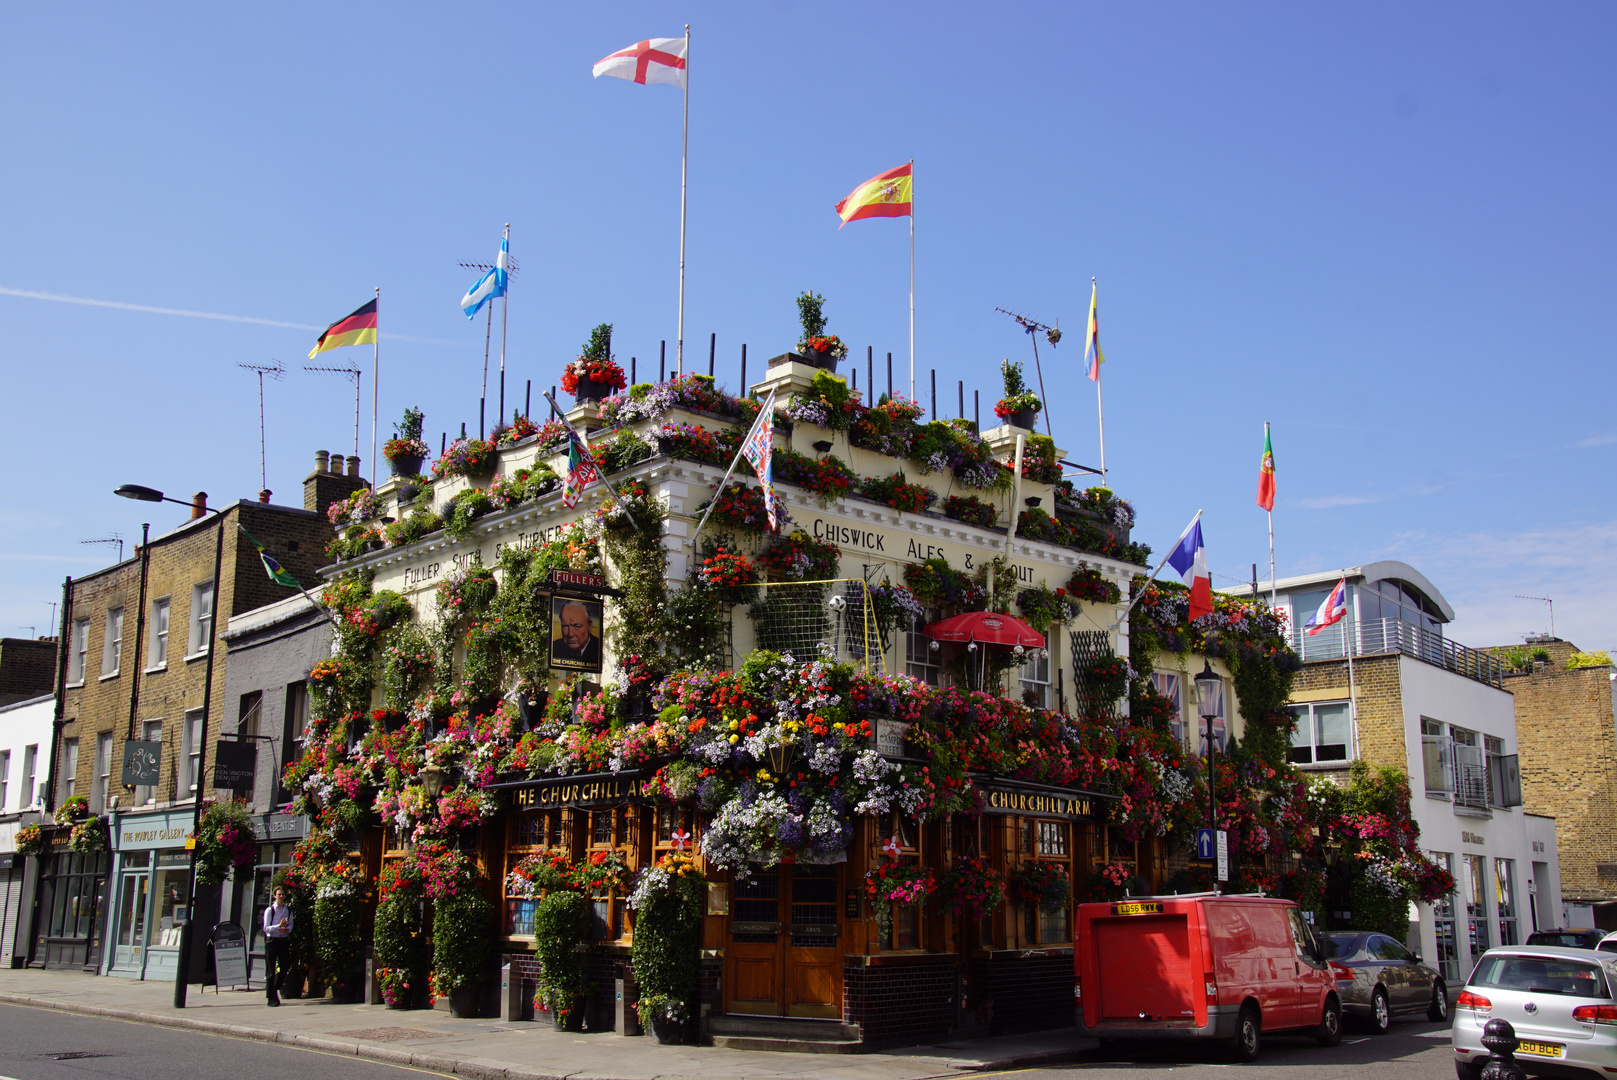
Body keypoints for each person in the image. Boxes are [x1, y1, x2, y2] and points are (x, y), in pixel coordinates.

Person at [263, 884, 293, 1006]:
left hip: (283, 940)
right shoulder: (270, 910)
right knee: (270, 970)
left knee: (285, 966)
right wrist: (278, 927)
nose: (281, 896)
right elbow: (266, 928)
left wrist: (286, 929)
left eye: (282, 894)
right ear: (274, 896)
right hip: (272, 941)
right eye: (278, 894)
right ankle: (272, 998)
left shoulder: (288, 910)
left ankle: (275, 987)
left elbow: (291, 925)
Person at [552, 600, 601, 666]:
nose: (570, 634)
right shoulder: (555, 648)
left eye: (577, 626)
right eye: (565, 626)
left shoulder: (598, 648)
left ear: (589, 625)